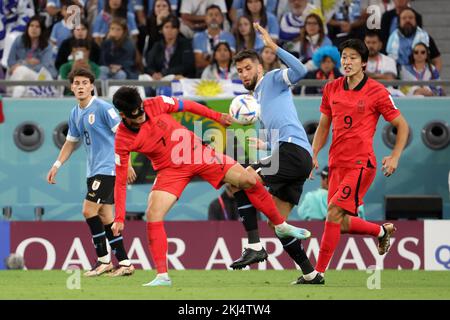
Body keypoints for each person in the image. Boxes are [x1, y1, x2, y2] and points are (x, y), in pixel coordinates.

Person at [110, 87, 311, 286]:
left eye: (142, 112)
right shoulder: (122, 139)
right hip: (169, 171)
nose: (143, 118)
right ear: (123, 115)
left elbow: (187, 105)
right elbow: (120, 180)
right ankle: (162, 276)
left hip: (198, 153)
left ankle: (281, 225)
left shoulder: (154, 104)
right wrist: (119, 217)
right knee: (153, 215)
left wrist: (216, 116)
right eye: (136, 117)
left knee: (248, 180)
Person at [298, 38, 409, 285]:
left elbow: (402, 125)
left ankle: (317, 274)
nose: (347, 62)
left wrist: (395, 156)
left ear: (364, 63)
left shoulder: (378, 92)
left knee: (334, 214)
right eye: (344, 57)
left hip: (361, 164)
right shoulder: (332, 88)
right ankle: (381, 231)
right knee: (341, 222)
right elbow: (324, 125)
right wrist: (313, 153)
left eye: (353, 58)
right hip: (337, 163)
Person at [229, 23, 317, 284]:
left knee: (239, 179)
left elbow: (301, 70)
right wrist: (264, 144)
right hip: (294, 154)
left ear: (259, 67)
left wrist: (273, 47)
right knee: (277, 223)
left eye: (247, 68)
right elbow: (281, 132)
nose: (244, 74)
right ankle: (310, 273)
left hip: (292, 152)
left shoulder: (273, 79)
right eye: (240, 71)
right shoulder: (259, 102)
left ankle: (254, 247)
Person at [46, 68, 136, 277]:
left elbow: (123, 135)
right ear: (71, 88)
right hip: (93, 170)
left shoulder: (104, 108)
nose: (80, 86)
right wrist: (56, 165)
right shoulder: (75, 113)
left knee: (88, 210)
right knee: (106, 217)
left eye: (84, 83)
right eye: (76, 83)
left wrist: (127, 163)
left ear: (92, 86)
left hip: (108, 168)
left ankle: (103, 260)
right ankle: (124, 262)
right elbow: (70, 143)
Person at [297, 166, 365, 220]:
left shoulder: (310, 197)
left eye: (322, 178)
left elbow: (300, 213)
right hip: (349, 235)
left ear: (326, 180)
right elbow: (362, 220)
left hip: (315, 234)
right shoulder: (355, 200)